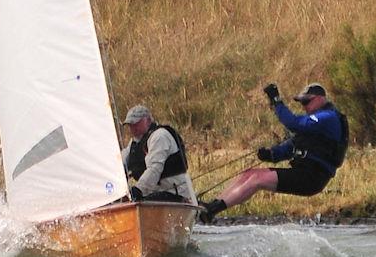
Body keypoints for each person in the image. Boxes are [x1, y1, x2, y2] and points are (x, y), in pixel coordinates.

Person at [198, 82, 348, 222]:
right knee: (249, 174)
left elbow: (293, 124)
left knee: (258, 180)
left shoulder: (328, 118)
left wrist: (276, 101)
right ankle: (211, 205)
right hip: (302, 172)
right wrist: (271, 154)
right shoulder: (314, 123)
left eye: (306, 101)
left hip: (313, 178)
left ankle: (212, 211)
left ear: (321, 99)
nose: (304, 106)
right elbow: (292, 146)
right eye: (302, 103)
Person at [121, 104, 197, 204]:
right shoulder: (135, 142)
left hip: (175, 193)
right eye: (130, 125)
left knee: (142, 200)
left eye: (136, 123)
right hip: (155, 193)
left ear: (148, 120)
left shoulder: (160, 136)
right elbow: (120, 161)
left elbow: (155, 169)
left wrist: (138, 190)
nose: (133, 128)